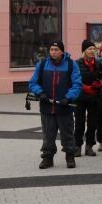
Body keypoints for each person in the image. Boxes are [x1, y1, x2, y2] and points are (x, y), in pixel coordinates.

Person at [28, 40, 82, 169]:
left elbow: (77, 84)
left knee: (67, 134)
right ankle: (47, 158)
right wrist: (40, 93)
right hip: (47, 107)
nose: (53, 52)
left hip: (64, 107)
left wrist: (68, 98)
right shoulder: (42, 64)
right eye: (51, 49)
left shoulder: (71, 64)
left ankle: (70, 156)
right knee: (48, 135)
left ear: (62, 51)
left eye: (56, 50)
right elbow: (33, 83)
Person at [74, 40, 102, 157]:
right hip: (80, 97)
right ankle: (77, 146)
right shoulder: (77, 63)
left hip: (95, 97)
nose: (92, 51)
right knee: (79, 123)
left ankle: (89, 146)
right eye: (89, 49)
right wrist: (85, 87)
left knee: (92, 123)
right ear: (84, 51)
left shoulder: (99, 63)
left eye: (93, 49)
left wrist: (100, 83)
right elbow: (74, 79)